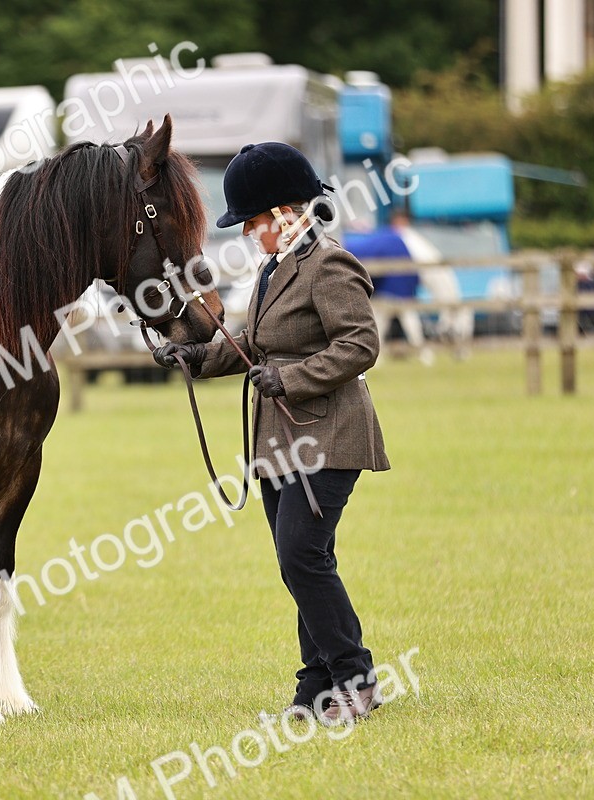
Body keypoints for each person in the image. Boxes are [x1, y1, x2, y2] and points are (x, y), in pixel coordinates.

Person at [153, 142, 390, 724]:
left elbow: (361, 346)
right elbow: (253, 347)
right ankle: (315, 686)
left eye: (255, 222)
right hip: (278, 441)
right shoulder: (274, 272)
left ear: (287, 212)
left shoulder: (329, 264)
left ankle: (354, 677)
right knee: (302, 560)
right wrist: (193, 357)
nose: (251, 234)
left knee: (301, 557)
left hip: (330, 434)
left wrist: (292, 378)